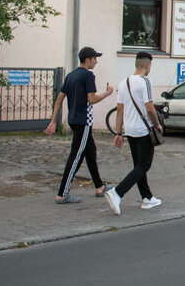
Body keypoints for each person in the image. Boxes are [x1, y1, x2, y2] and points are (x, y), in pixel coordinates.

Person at [45, 46, 114, 203]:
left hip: (73, 120)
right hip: (84, 122)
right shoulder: (88, 76)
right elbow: (92, 99)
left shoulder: (71, 75)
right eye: (95, 59)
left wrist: (54, 121)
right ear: (87, 60)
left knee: (90, 151)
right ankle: (63, 193)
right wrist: (107, 94)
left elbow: (59, 99)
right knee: (75, 156)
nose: (96, 62)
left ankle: (99, 187)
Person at [105, 51, 162, 215]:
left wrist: (118, 132)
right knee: (144, 165)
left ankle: (147, 198)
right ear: (147, 65)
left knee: (139, 165)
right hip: (143, 129)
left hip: (129, 130)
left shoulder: (123, 83)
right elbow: (149, 107)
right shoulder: (145, 82)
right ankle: (117, 192)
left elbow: (120, 110)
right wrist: (157, 124)